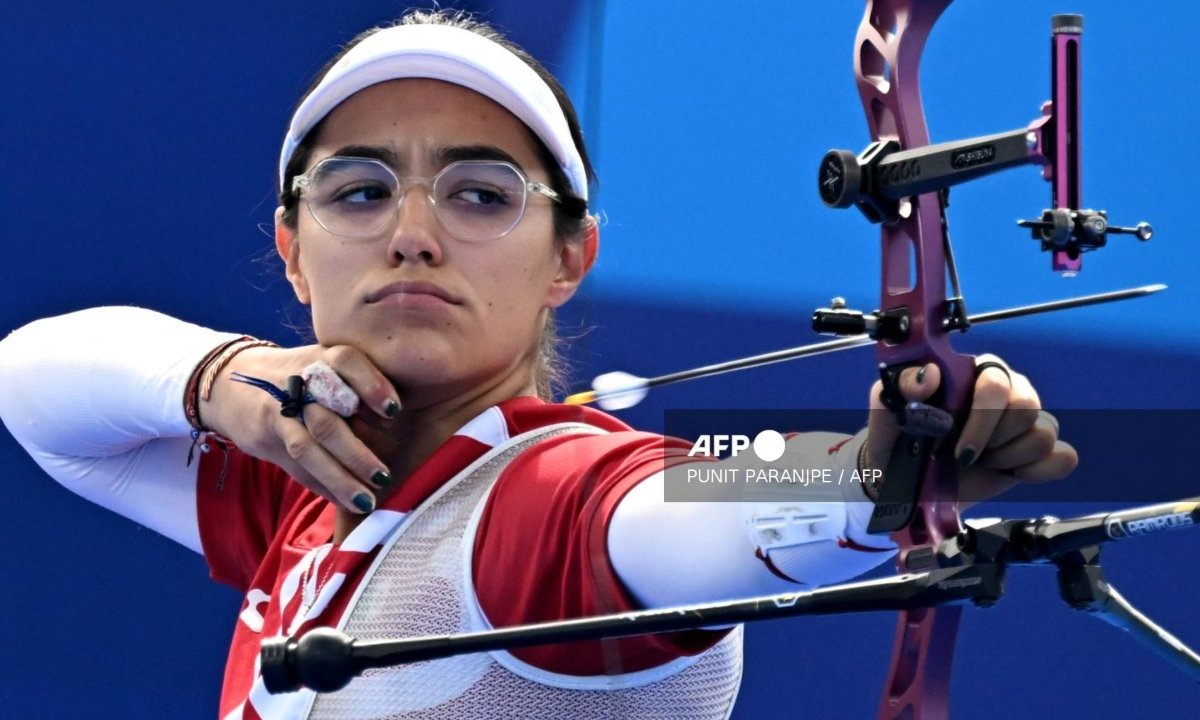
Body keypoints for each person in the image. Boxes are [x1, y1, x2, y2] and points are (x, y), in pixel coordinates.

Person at [0, 9, 1075, 719]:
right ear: (291, 250)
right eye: (360, 191)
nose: (412, 234)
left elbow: (691, 504)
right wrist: (221, 381)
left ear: (571, 257)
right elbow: (32, 387)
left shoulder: (550, 500)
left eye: (479, 195)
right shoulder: (301, 486)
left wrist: (867, 481)